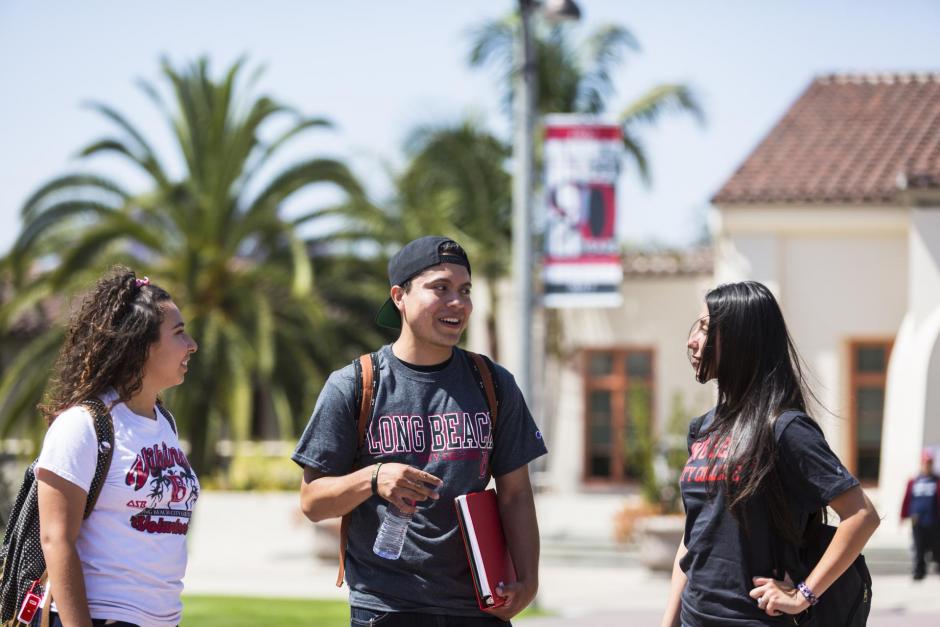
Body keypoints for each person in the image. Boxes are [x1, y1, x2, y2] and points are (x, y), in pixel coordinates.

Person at [293, 236, 547, 626]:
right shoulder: (355, 384)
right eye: (440, 288)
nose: (457, 303)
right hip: (387, 608)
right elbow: (312, 502)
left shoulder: (493, 383)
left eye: (464, 290)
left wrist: (528, 580)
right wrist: (373, 478)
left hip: (479, 608)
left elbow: (515, 494)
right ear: (400, 296)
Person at [661, 281, 881, 627]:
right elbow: (694, 538)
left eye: (705, 329)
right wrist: (669, 621)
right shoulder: (701, 429)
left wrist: (802, 595)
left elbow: (862, 515)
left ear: (738, 339)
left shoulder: (786, 429)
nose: (692, 341)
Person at [35, 268, 199, 627]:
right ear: (139, 347)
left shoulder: (164, 423)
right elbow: (56, 539)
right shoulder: (82, 425)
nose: (192, 345)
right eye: (178, 333)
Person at [900, 448, 940, 580]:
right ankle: (919, 571)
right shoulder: (914, 481)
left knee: (936, 544)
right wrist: (904, 515)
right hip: (917, 520)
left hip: (934, 520)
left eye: (929, 462)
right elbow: (907, 499)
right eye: (925, 462)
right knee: (918, 546)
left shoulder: (936, 480)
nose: (927, 465)